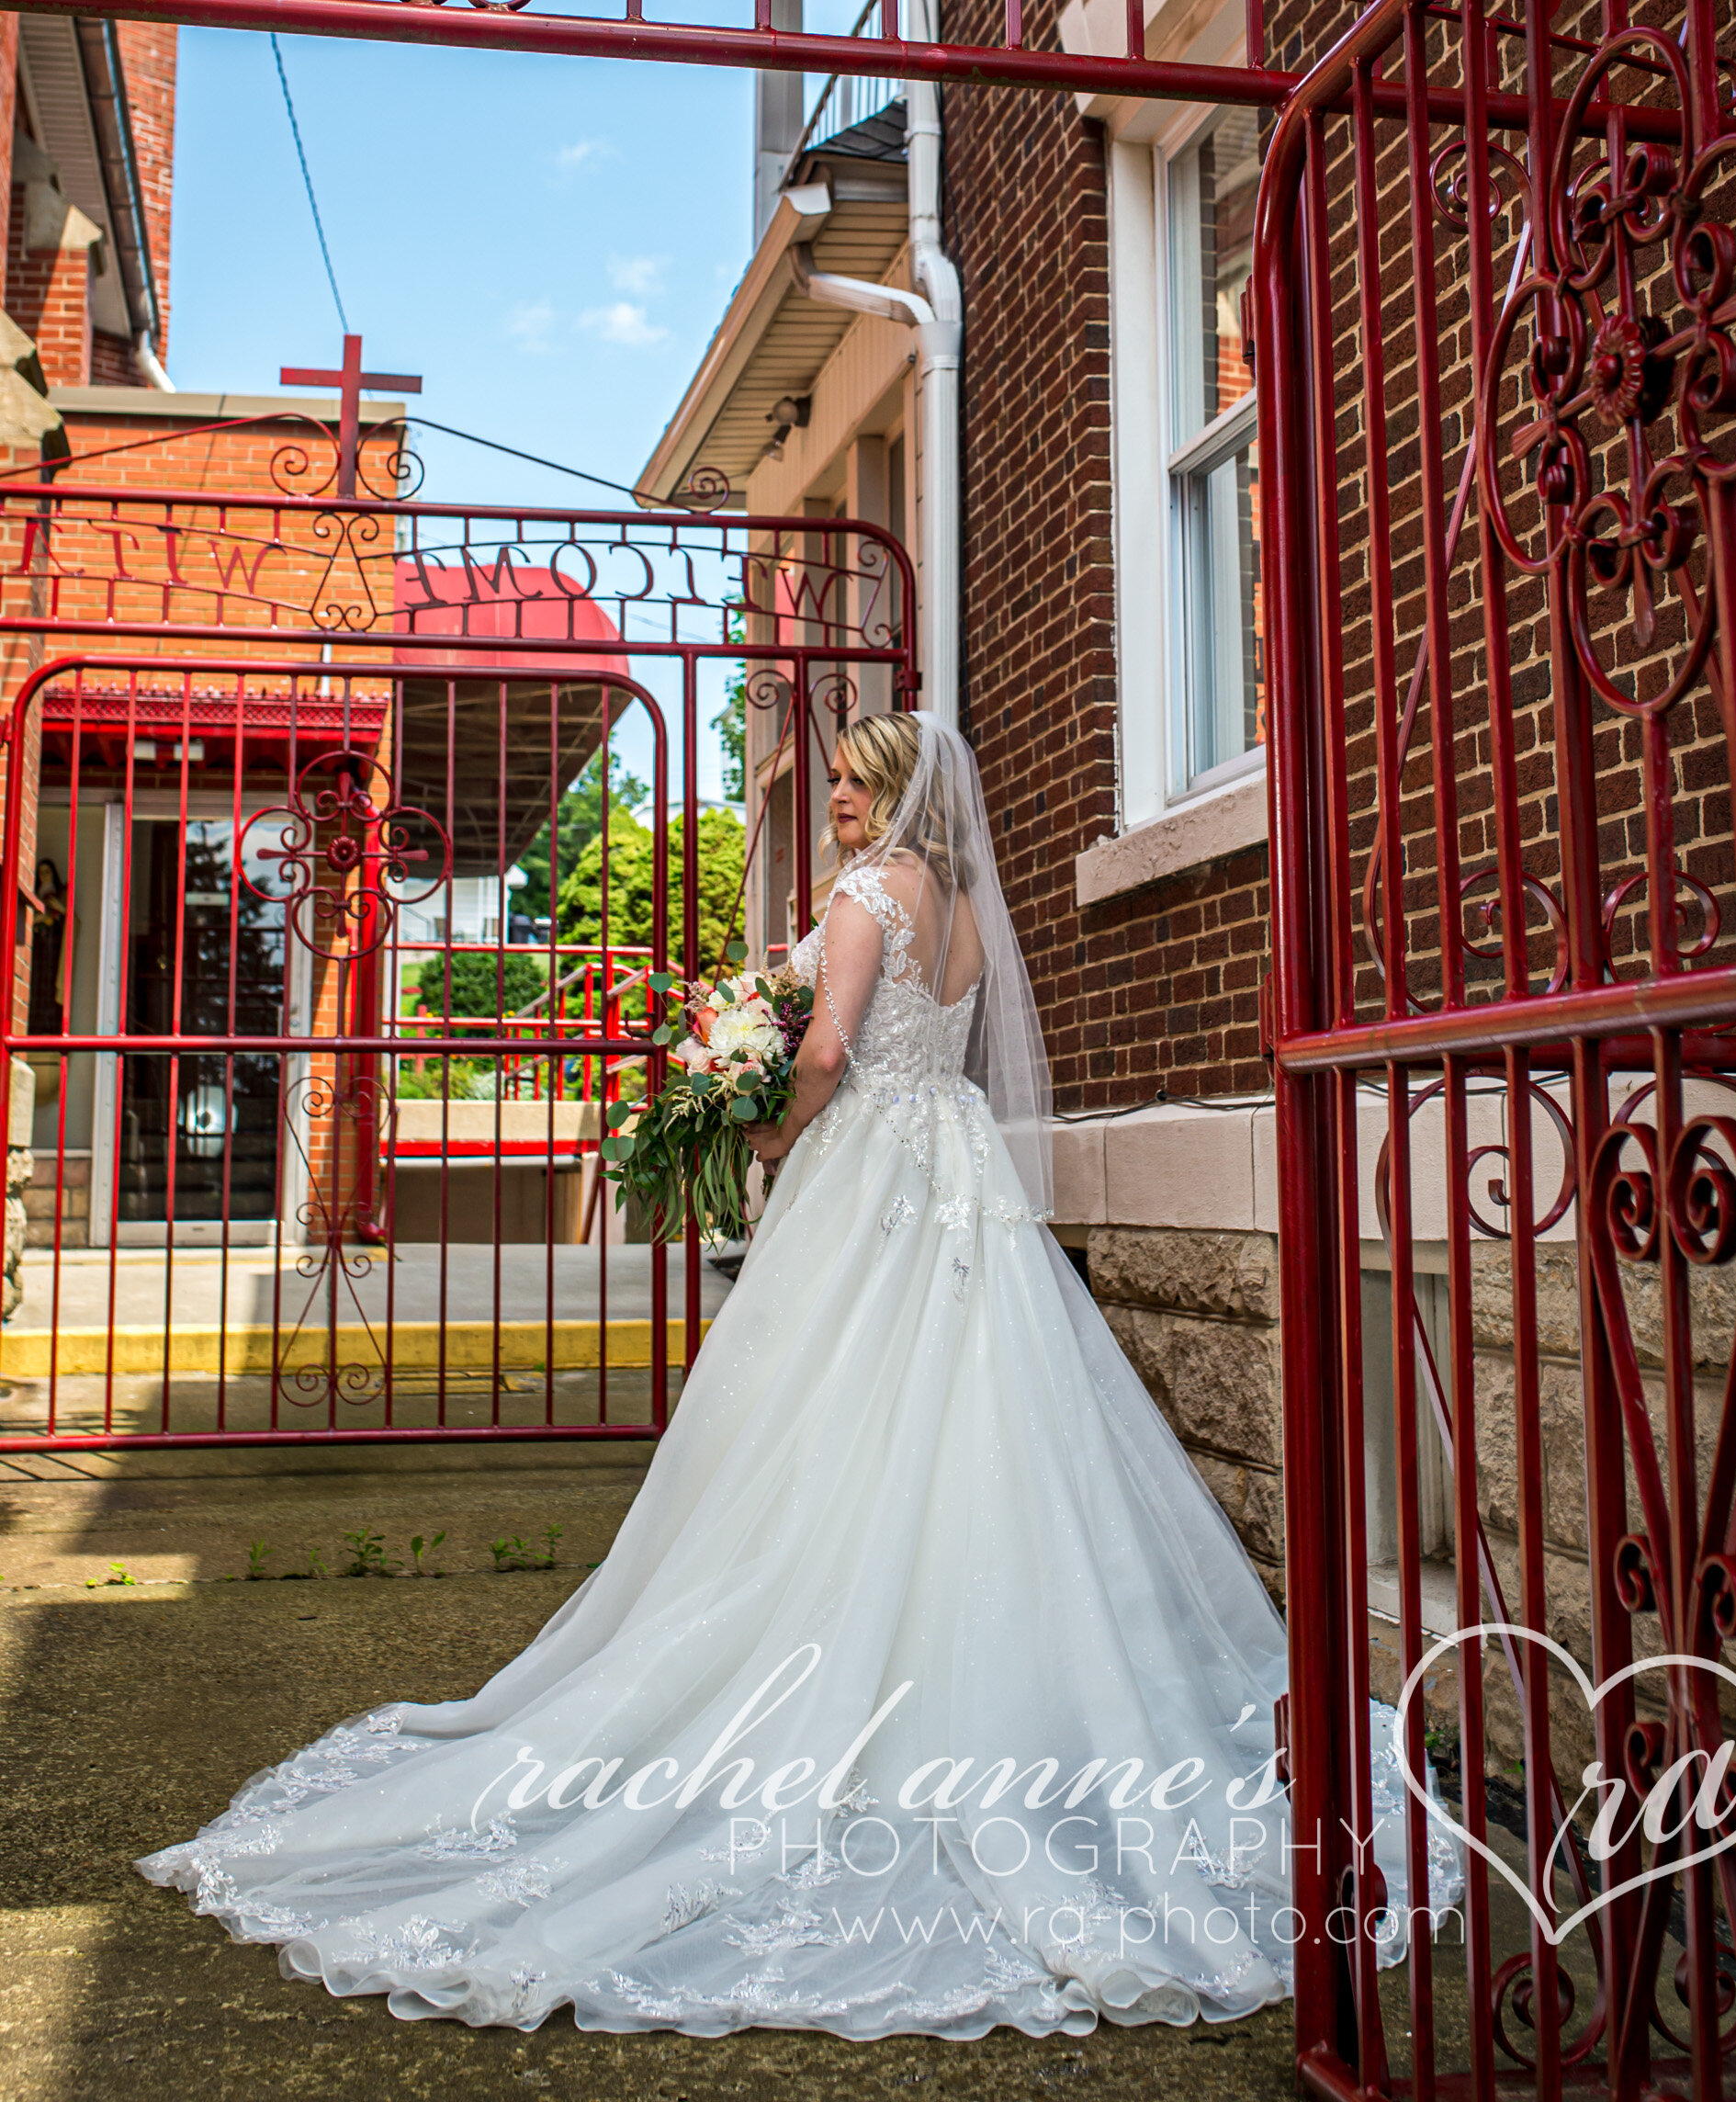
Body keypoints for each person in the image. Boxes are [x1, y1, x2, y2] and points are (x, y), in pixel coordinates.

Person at [140, 711, 1449, 2037]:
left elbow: (825, 1052)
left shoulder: (869, 890)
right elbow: (937, 1045)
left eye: (849, 779)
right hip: (959, 1179)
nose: (831, 797)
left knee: (823, 1419)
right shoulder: (973, 907)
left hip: (867, 1176)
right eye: (828, 778)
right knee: (984, 1421)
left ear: (892, 792)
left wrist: (762, 1125)